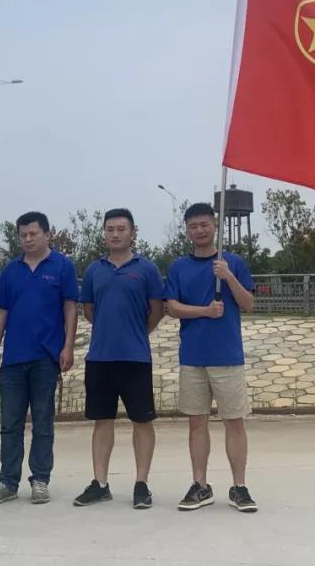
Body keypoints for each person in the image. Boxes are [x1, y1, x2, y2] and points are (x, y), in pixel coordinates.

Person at [164, 202, 258, 513]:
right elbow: (172, 307)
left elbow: (248, 304)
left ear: (215, 226)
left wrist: (228, 277)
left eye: (205, 224)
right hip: (193, 357)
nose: (199, 230)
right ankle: (200, 484)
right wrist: (205, 311)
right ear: (187, 231)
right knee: (196, 423)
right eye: (193, 226)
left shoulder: (233, 263)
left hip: (227, 356)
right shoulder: (179, 267)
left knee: (234, 422)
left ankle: (239, 486)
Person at [0, 212, 78, 506]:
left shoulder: (62, 266)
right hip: (14, 359)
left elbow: (70, 308)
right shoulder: (11, 271)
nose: (27, 239)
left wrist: (68, 346)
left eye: (33, 234)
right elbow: (1, 311)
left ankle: (40, 479)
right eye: (22, 235)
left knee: (43, 422)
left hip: (46, 358)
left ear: (47, 234)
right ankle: (7, 481)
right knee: (10, 423)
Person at [72, 208, 165, 510]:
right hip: (100, 358)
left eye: (121, 229)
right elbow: (89, 311)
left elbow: (156, 311)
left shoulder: (147, 269)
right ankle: (100, 483)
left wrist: (135, 331)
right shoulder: (94, 270)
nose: (115, 234)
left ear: (133, 232)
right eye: (110, 229)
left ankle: (141, 484)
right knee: (102, 421)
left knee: (142, 421)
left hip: (136, 357)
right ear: (104, 233)